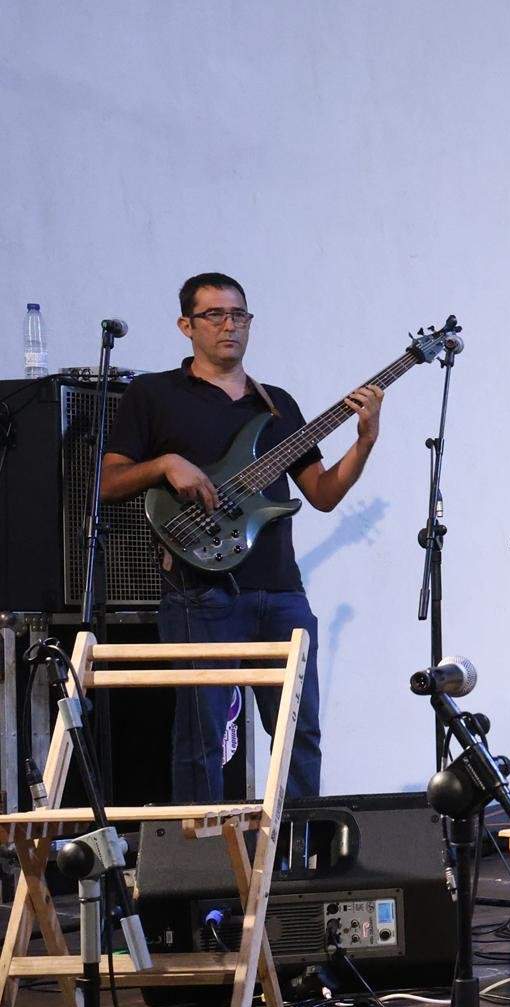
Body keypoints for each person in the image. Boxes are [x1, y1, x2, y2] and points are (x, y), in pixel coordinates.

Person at [102, 272, 384, 803]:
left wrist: (365, 442)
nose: (229, 326)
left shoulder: (275, 404)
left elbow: (321, 493)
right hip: (200, 591)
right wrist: (166, 464)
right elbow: (109, 481)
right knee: (201, 738)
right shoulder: (154, 394)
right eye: (214, 315)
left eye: (239, 315)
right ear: (186, 325)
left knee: (299, 735)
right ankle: (201, 867)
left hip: (280, 590)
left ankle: (297, 863)